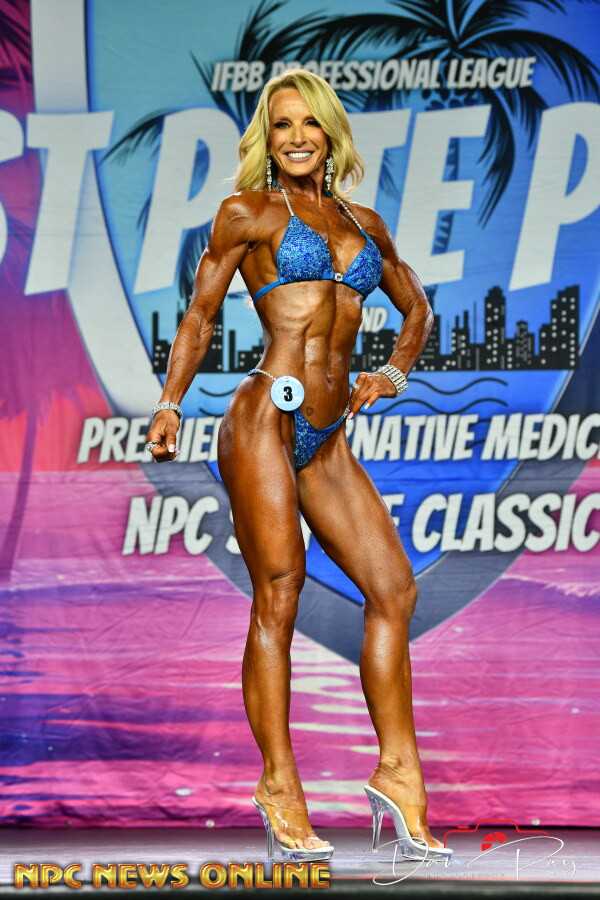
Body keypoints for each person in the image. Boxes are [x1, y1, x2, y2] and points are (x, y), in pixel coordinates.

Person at [145, 68, 453, 863]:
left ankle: (399, 773)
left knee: (394, 589)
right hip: (263, 419)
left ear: (329, 133)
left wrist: (393, 372)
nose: (296, 138)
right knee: (279, 593)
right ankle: (279, 783)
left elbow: (417, 306)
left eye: (308, 123)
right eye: (280, 125)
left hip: (327, 434)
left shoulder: (363, 223)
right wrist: (171, 403)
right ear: (267, 138)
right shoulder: (246, 213)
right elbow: (200, 316)